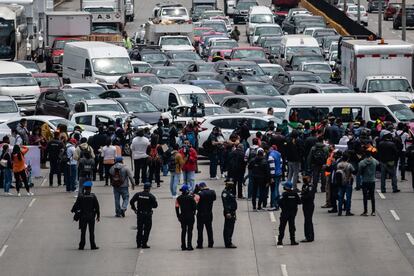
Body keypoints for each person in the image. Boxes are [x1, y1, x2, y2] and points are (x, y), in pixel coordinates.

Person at [71, 181, 100, 250]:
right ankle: (93, 245)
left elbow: (75, 206)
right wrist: (98, 216)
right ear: (90, 188)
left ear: (84, 188)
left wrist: (74, 211)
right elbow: (97, 207)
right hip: (91, 217)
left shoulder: (81, 196)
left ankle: (81, 245)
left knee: (83, 232)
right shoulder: (93, 196)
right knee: (91, 232)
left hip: (83, 217)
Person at [130, 183, 158, 249]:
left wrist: (134, 209)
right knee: (147, 229)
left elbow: (131, 201)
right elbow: (155, 206)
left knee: (139, 229)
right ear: (149, 188)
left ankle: (138, 243)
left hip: (140, 214)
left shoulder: (138, 194)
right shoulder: (151, 196)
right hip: (147, 215)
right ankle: (144, 243)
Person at [277, 181, 301, 246]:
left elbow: (279, 202)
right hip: (292, 213)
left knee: (282, 227)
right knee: (292, 227)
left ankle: (280, 241)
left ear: (286, 187)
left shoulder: (284, 194)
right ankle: (292, 241)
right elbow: (299, 202)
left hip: (285, 213)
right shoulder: (295, 194)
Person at [175, 184, 197, 250]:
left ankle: (183, 246)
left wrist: (178, 216)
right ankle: (189, 245)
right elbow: (195, 207)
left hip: (183, 216)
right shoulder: (191, 198)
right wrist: (193, 213)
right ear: (187, 191)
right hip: (190, 216)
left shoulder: (178, 198)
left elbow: (176, 207)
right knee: (190, 231)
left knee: (183, 231)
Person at [358, 149, 379, 216]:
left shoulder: (362, 162)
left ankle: (365, 211)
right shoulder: (374, 160)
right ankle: (373, 211)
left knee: (365, 196)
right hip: (372, 180)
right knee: (372, 196)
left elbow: (359, 171)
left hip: (365, 181)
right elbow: (378, 163)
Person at [196, 182, 216, 249]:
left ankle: (200, 244)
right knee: (209, 228)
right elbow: (214, 198)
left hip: (201, 214)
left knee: (200, 230)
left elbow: (195, 201)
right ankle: (211, 243)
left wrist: (195, 191)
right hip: (209, 213)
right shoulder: (212, 192)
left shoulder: (199, 194)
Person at [336, 152, 355, 216]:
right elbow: (354, 171)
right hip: (348, 182)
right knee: (348, 197)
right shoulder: (349, 165)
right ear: (348, 158)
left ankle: (340, 211)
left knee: (340, 197)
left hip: (340, 183)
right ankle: (347, 211)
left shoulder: (338, 164)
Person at [222, 180, 237, 248]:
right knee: (228, 228)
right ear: (226, 184)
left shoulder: (230, 191)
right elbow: (225, 204)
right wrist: (227, 212)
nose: (231, 185)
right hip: (229, 213)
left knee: (231, 228)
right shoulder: (225, 193)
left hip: (232, 212)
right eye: (230, 184)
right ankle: (228, 243)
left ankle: (229, 241)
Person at [300, 175, 315, 242]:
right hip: (305, 204)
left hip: (309, 204)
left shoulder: (310, 186)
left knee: (308, 220)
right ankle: (309, 236)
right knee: (307, 220)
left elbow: (310, 196)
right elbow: (302, 193)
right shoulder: (304, 186)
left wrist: (303, 197)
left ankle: (309, 237)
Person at [268, 144, 282, 210]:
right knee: (277, 188)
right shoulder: (279, 154)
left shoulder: (271, 156)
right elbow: (281, 163)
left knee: (274, 189)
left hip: (275, 174)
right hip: (279, 173)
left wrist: (272, 177)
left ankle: (274, 204)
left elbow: (272, 166)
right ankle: (277, 203)